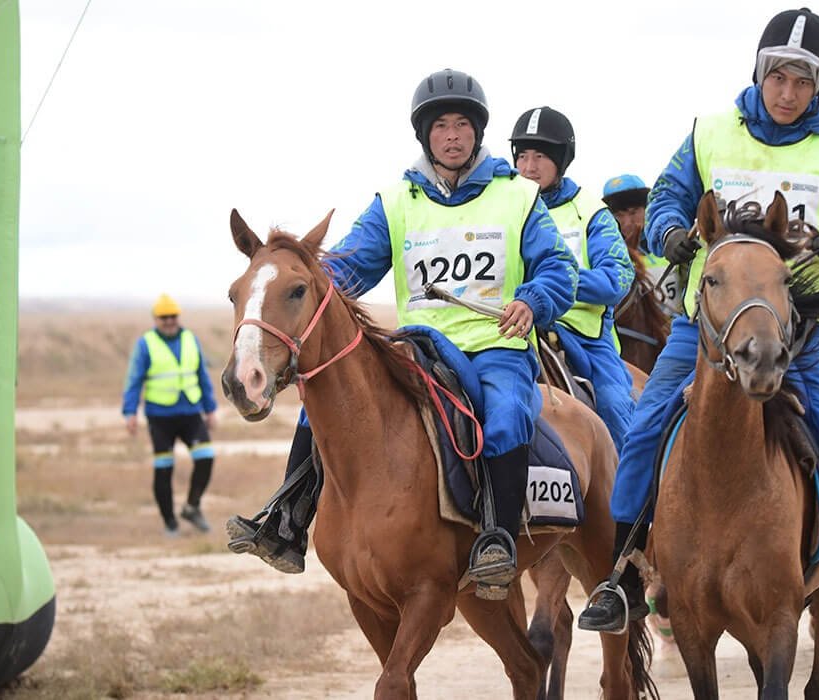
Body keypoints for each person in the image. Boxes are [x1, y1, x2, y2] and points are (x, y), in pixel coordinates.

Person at [578, 7, 819, 633]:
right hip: (709, 327)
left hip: (799, 331)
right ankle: (619, 577)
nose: (788, 93)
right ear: (760, 73)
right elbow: (672, 193)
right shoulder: (709, 132)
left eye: (803, 82)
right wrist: (671, 230)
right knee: (644, 429)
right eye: (779, 78)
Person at [227, 69, 578, 584]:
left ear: (478, 133)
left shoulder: (517, 196)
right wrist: (296, 279)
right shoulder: (395, 202)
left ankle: (496, 539)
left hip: (493, 344)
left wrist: (533, 299)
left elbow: (558, 268)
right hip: (419, 346)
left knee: (504, 413)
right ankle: (288, 521)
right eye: (441, 126)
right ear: (425, 136)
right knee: (321, 405)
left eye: (462, 125)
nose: (452, 135)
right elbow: (344, 269)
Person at [510, 106, 636, 452]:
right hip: (511, 328)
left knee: (613, 404)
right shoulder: (501, 205)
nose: (528, 167)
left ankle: (635, 500)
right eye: (522, 156)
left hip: (587, 341)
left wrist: (552, 283)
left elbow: (617, 279)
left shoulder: (592, 210)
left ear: (561, 160)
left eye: (539, 157)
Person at [121, 294, 217, 536]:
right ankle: (169, 522)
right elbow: (134, 380)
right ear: (156, 319)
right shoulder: (146, 344)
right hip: (160, 416)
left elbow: (202, 375)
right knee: (164, 468)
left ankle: (192, 507)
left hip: (191, 412)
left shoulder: (190, 339)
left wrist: (210, 408)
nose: (169, 321)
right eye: (164, 317)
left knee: (206, 457)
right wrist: (130, 413)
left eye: (173, 316)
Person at [602, 174, 681, 317]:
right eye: (619, 215)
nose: (627, 222)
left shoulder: (670, 243)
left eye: (633, 213)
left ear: (647, 208)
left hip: (678, 332)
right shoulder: (607, 257)